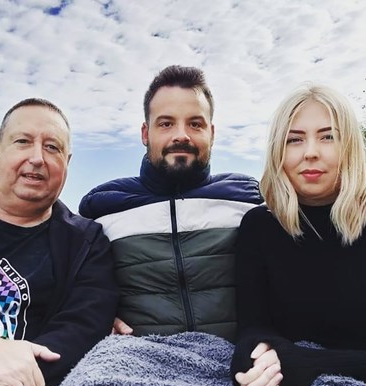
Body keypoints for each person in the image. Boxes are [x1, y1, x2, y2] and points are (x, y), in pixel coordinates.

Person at [0, 98, 118, 386]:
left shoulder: (86, 244)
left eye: (53, 147)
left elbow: (77, 336)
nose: (37, 158)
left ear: (68, 162)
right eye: (23, 141)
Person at [79, 65, 262, 342]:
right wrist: (97, 317)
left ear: (211, 132)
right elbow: (75, 291)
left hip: (239, 364)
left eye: (195, 124)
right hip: (137, 365)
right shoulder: (103, 207)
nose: (181, 135)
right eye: (166, 123)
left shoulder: (249, 198)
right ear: (145, 133)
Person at [231, 84, 366, 386]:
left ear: (350, 145)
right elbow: (253, 323)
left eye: (327, 136)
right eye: (295, 139)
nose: (310, 152)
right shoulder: (259, 226)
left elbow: (301, 362)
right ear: (279, 150)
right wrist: (254, 362)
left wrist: (312, 363)